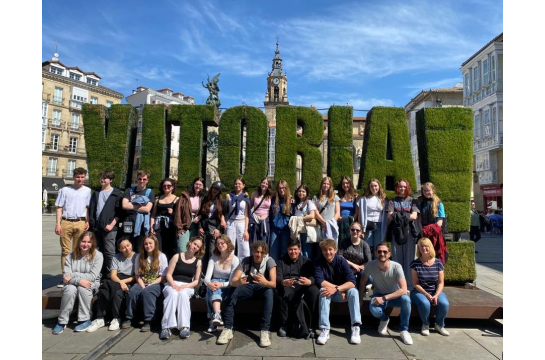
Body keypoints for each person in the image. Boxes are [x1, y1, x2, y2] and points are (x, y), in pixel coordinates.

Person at [216, 240, 277, 348]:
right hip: (249, 287)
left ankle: (264, 330)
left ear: (265, 253)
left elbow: (273, 284)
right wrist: (238, 282)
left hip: (263, 288)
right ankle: (228, 328)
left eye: (261, 252)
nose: (259, 254)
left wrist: (265, 282)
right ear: (253, 251)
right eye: (257, 252)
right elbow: (233, 281)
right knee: (233, 290)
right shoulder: (246, 261)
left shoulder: (270, 261)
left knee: (269, 292)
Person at [359, 243, 413, 345]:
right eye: (379, 251)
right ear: (375, 253)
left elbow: (403, 289)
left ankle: (404, 330)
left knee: (406, 300)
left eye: (385, 252)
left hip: (394, 296)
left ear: (389, 254)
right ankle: (384, 319)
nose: (382, 254)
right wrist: (360, 298)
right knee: (373, 309)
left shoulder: (397, 267)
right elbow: (362, 282)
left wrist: (384, 298)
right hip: (378, 294)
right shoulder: (370, 265)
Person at [52, 231, 104, 334]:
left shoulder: (98, 256)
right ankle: (62, 321)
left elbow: (92, 276)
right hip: (72, 284)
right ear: (79, 241)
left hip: (91, 283)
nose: (85, 244)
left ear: (92, 243)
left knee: (83, 288)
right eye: (83, 241)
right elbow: (66, 277)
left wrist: (73, 275)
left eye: (89, 242)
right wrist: (79, 280)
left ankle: (85, 319)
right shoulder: (70, 256)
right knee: (69, 289)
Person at [314, 239, 361, 345]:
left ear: (335, 250)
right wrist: (336, 289)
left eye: (330, 249)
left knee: (354, 291)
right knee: (323, 291)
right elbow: (320, 281)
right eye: (325, 250)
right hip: (334, 293)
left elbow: (352, 282)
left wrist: (337, 289)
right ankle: (325, 329)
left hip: (344, 293)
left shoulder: (341, 261)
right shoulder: (318, 261)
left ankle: (355, 327)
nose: (328, 252)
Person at [86, 237, 137, 332]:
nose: (127, 248)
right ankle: (100, 318)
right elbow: (113, 275)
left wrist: (124, 282)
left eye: (128, 245)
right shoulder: (116, 257)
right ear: (119, 249)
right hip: (118, 279)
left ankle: (116, 318)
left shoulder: (136, 257)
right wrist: (121, 282)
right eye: (123, 247)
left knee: (117, 292)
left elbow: (136, 276)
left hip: (130, 279)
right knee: (104, 288)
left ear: (131, 244)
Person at [159, 236, 205, 340]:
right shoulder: (177, 256)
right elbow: (168, 275)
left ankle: (184, 326)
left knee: (183, 295)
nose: (195, 247)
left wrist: (185, 286)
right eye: (195, 244)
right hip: (172, 282)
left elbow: (197, 280)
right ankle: (166, 327)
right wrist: (174, 285)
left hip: (187, 285)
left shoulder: (198, 261)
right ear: (190, 243)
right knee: (172, 294)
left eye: (198, 246)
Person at [275, 239, 319, 339]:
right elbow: (277, 276)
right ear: (287, 250)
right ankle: (284, 324)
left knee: (314, 291)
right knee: (279, 291)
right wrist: (282, 282)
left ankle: (312, 325)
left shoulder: (306, 261)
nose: (293, 252)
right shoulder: (281, 261)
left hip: (302, 285)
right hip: (288, 285)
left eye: (295, 249)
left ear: (299, 250)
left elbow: (314, 276)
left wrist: (310, 281)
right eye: (290, 249)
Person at [54, 167, 92, 287]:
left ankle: (75, 276)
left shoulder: (87, 191)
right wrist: (58, 223)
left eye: (82, 177)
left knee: (78, 251)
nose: (80, 179)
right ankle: (65, 276)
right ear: (73, 177)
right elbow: (59, 207)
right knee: (65, 251)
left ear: (85, 177)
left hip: (80, 222)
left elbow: (87, 207)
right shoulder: (65, 190)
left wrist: (87, 221)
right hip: (66, 221)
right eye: (78, 177)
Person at [122, 234, 168, 332]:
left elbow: (163, 276)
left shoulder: (162, 256)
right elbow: (137, 275)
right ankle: (129, 317)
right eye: (146, 244)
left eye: (150, 243)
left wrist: (150, 285)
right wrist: (142, 285)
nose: (148, 246)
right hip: (142, 282)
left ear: (155, 244)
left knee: (147, 292)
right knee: (132, 293)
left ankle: (149, 320)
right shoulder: (139, 256)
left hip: (157, 283)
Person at [410, 237, 450, 337]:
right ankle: (425, 324)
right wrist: (426, 294)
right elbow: (415, 283)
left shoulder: (438, 262)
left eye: (426, 246)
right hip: (419, 291)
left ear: (430, 247)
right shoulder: (415, 263)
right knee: (424, 303)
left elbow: (441, 282)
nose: (424, 248)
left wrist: (436, 295)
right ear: (418, 248)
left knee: (444, 303)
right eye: (421, 246)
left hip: (435, 291)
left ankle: (439, 325)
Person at [89, 169, 123, 279]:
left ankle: (111, 275)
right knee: (97, 252)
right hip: (96, 228)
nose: (102, 180)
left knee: (109, 252)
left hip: (110, 228)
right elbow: (92, 209)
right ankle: (98, 274)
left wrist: (112, 225)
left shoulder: (116, 194)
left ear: (111, 180)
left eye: (105, 178)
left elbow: (119, 212)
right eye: (102, 177)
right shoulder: (96, 193)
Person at [203, 234, 240, 332]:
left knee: (214, 289)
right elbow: (207, 278)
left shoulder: (234, 259)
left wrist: (221, 284)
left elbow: (232, 281)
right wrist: (209, 284)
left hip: (227, 287)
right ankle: (216, 316)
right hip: (214, 285)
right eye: (217, 244)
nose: (220, 245)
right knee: (213, 286)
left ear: (228, 244)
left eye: (222, 243)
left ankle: (214, 319)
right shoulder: (213, 258)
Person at [387, 179, 419, 290]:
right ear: (397, 187)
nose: (402, 188)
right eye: (400, 186)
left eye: (404, 187)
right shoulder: (392, 201)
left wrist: (399, 215)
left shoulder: (412, 201)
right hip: (396, 231)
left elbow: (414, 216)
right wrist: (406, 215)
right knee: (396, 258)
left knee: (409, 257)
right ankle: (397, 285)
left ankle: (409, 285)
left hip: (409, 231)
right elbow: (390, 215)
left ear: (407, 188)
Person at [122, 170, 155, 252]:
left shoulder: (149, 192)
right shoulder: (129, 191)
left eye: (144, 179)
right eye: (140, 179)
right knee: (127, 245)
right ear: (137, 179)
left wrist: (131, 205)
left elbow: (147, 209)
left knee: (139, 248)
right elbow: (124, 205)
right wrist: (140, 207)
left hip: (142, 223)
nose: (142, 181)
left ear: (147, 180)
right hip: (129, 221)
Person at [356, 178, 389, 258]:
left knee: (378, 247)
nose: (374, 188)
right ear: (369, 187)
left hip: (379, 225)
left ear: (379, 186)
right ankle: (368, 266)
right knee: (367, 247)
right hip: (367, 225)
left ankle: (377, 266)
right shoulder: (363, 199)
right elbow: (360, 215)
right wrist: (360, 229)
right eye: (371, 186)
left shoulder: (384, 199)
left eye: (375, 186)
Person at [417, 182, 448, 264]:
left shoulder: (439, 204)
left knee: (436, 255)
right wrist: (422, 232)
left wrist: (430, 232)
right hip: (424, 233)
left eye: (428, 190)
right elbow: (419, 220)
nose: (427, 192)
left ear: (433, 190)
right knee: (424, 256)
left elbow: (440, 221)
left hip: (435, 234)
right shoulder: (421, 204)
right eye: (424, 191)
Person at [198, 181, 228, 265]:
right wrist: (200, 226)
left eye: (218, 189)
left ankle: (211, 271)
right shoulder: (205, 199)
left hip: (214, 227)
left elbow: (223, 216)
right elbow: (201, 214)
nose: (215, 190)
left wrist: (218, 229)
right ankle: (201, 271)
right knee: (202, 251)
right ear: (211, 188)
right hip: (204, 226)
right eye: (214, 188)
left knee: (212, 250)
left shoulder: (223, 201)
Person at [175, 177, 205, 255]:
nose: (198, 186)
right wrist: (179, 228)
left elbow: (204, 212)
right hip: (184, 224)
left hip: (195, 225)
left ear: (203, 186)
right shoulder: (185, 196)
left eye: (200, 185)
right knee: (182, 249)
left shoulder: (202, 198)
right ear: (193, 184)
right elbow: (178, 212)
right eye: (196, 184)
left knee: (193, 249)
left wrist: (200, 216)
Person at [150, 178, 179, 260]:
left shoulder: (177, 199)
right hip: (158, 226)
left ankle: (169, 269)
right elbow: (153, 214)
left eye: (169, 186)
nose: (166, 187)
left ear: (173, 187)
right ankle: (159, 268)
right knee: (158, 248)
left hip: (171, 227)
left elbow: (179, 215)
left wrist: (173, 213)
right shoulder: (157, 198)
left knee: (170, 248)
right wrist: (151, 226)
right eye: (164, 186)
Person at [338, 221, 372, 289]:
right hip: (346, 268)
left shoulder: (364, 245)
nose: (355, 231)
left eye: (357, 230)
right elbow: (340, 257)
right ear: (349, 230)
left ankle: (361, 289)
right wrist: (353, 265)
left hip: (360, 269)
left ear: (361, 232)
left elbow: (368, 262)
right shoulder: (344, 242)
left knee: (369, 278)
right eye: (353, 229)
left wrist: (357, 269)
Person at [225, 177, 251, 261]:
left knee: (244, 247)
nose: (237, 185)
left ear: (243, 185)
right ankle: (229, 266)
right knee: (229, 246)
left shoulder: (246, 197)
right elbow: (225, 211)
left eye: (239, 184)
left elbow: (247, 215)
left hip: (241, 223)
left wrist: (246, 230)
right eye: (236, 183)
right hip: (231, 223)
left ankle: (243, 269)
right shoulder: (229, 196)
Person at [269, 180, 293, 261]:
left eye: (283, 188)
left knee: (284, 253)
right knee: (273, 253)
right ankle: (272, 272)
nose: (281, 190)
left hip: (285, 230)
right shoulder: (273, 199)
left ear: (287, 188)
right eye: (279, 188)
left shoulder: (291, 200)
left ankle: (282, 272)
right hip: (274, 230)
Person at [292, 184, 317, 259]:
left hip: (306, 230)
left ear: (306, 193)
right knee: (299, 250)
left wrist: (299, 219)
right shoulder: (296, 203)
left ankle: (307, 268)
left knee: (306, 251)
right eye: (299, 191)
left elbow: (312, 215)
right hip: (298, 230)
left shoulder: (309, 202)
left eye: (303, 191)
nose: (301, 193)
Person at [313, 176, 340, 244]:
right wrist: (325, 223)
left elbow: (337, 212)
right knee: (322, 247)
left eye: (328, 184)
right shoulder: (316, 197)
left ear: (330, 185)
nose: (326, 185)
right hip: (321, 226)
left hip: (332, 225)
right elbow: (316, 213)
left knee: (333, 247)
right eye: (324, 183)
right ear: (321, 184)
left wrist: (330, 224)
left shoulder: (335, 197)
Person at [249, 177, 273, 244]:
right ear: (260, 184)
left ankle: (264, 254)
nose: (264, 184)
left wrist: (291, 198)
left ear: (268, 186)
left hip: (265, 221)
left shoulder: (271, 195)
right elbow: (250, 207)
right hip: (255, 220)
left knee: (263, 242)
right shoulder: (254, 194)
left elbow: (283, 195)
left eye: (266, 183)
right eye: (263, 182)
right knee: (254, 242)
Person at [337, 176, 358, 245]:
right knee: (341, 242)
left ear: (350, 184)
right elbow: (336, 210)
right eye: (343, 184)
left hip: (352, 222)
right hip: (340, 222)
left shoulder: (355, 196)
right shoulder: (338, 196)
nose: (345, 185)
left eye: (347, 183)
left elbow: (357, 211)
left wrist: (352, 220)